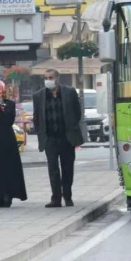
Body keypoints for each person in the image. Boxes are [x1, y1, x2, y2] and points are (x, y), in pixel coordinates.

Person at [33, 69, 86, 208]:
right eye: (46, 78)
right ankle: (55, 198)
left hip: (66, 137)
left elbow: (77, 112)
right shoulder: (39, 96)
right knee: (53, 169)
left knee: (67, 168)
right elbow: (37, 117)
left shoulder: (69, 92)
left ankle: (67, 196)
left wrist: (71, 127)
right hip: (49, 138)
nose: (48, 80)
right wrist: (41, 133)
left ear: (57, 78)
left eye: (50, 77)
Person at [0, 80, 28, 208]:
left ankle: (2, 196)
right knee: (4, 168)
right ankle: (3, 195)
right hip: (5, 138)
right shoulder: (7, 104)